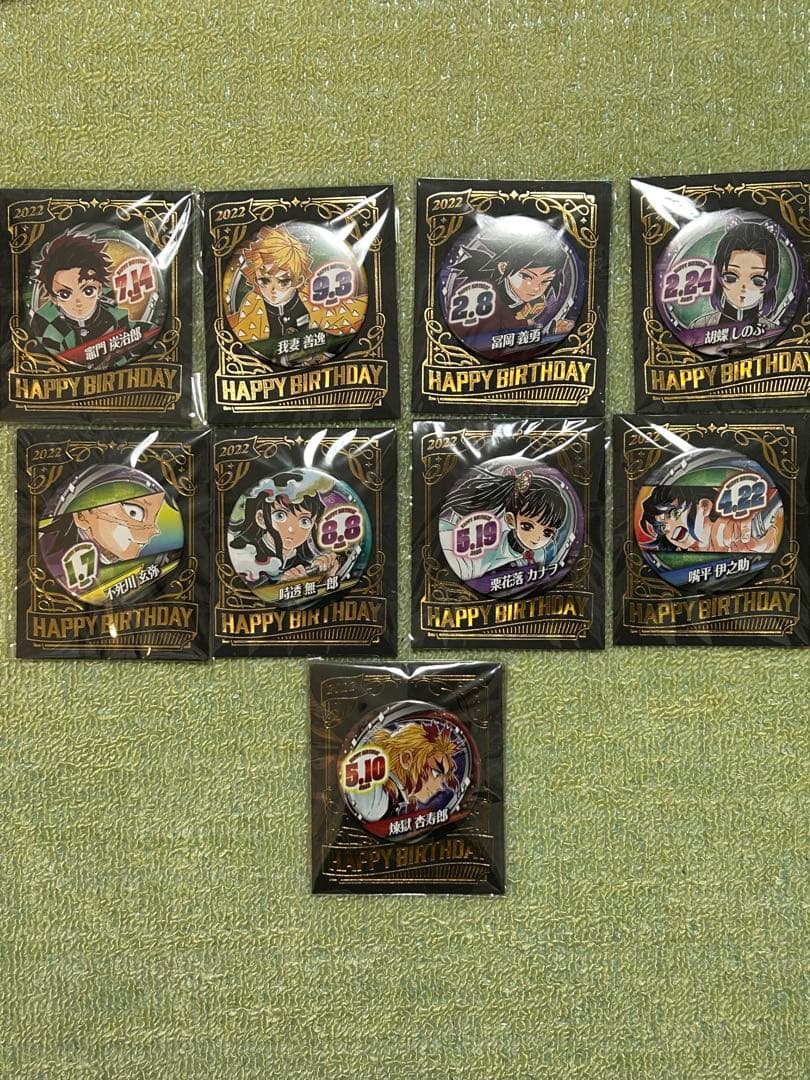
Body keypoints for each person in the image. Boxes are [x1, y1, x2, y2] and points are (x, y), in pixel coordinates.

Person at [38, 464, 176, 599]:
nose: (153, 531)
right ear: (82, 516)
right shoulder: (58, 563)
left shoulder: (152, 563)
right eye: (133, 512)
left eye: (155, 517)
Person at [445, 227, 575, 347]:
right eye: (527, 276)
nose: (536, 288)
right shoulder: (484, 291)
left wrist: (551, 332)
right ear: (503, 267)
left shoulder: (537, 303)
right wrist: (547, 333)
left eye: (545, 281)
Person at [440, 464, 571, 582]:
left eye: (547, 532)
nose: (537, 538)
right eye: (527, 526)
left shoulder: (540, 553)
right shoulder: (487, 548)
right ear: (510, 520)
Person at [28, 231, 131, 361]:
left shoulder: (115, 311)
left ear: (99, 289)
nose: (78, 301)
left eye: (88, 291)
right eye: (65, 294)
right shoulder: (43, 322)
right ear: (54, 298)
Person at [228, 470, 339, 586]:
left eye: (304, 521)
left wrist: (327, 577)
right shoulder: (245, 554)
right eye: (280, 516)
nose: (291, 529)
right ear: (261, 518)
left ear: (313, 527)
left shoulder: (304, 563)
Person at [347, 720, 461, 822]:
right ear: (407, 759)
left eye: (442, 779)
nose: (440, 787)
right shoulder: (375, 802)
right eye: (436, 773)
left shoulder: (394, 799)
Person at [228, 225, 315, 346]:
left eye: (284, 282)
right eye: (264, 281)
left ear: (299, 281)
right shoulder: (251, 309)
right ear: (255, 278)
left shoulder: (312, 301)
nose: (273, 290)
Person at [690, 220, 780, 334]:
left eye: (757, 280)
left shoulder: (773, 331)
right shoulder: (699, 327)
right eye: (731, 278)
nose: (743, 288)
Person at [638, 483, 782, 554]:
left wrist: (759, 543)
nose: (669, 529)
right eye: (662, 527)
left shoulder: (733, 528)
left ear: (704, 506)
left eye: (675, 514)